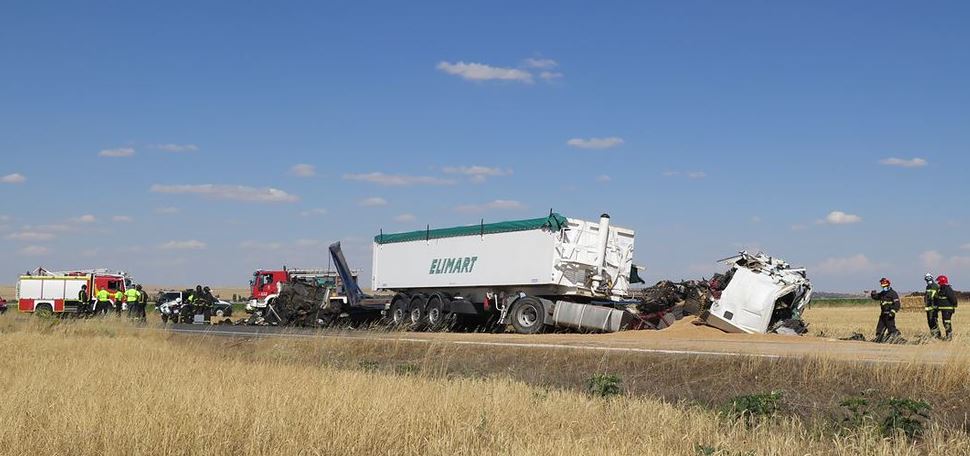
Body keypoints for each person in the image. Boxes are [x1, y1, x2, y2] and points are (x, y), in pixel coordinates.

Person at [870, 277, 901, 343]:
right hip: (883, 314)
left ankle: (896, 338)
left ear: (888, 285)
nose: (884, 287)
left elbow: (897, 304)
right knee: (880, 329)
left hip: (889, 315)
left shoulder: (893, 293)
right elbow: (877, 297)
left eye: (885, 286)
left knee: (891, 328)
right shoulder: (883, 293)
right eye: (882, 286)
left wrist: (893, 312)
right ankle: (879, 339)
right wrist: (873, 294)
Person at [934, 275, 959, 341]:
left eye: (939, 282)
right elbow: (940, 300)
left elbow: (953, 298)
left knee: (947, 322)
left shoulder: (947, 289)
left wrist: (954, 305)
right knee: (945, 322)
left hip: (947, 310)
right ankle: (948, 336)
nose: (938, 283)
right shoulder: (942, 289)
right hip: (944, 310)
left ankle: (949, 337)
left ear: (942, 281)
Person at [924, 273, 941, 338]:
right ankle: (933, 334)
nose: (928, 280)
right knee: (929, 322)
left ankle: (937, 335)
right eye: (926, 279)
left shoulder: (935, 286)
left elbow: (935, 297)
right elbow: (927, 296)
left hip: (934, 307)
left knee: (933, 321)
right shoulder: (927, 287)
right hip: (928, 308)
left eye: (928, 279)